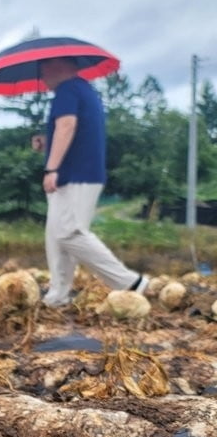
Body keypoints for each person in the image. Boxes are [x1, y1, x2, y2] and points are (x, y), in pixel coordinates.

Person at [31, 56, 147, 308]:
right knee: (56, 234)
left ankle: (130, 282)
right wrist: (47, 143)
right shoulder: (83, 90)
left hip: (76, 175)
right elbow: (77, 133)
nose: (42, 76)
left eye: (44, 69)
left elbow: (67, 126)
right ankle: (58, 295)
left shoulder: (68, 89)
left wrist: (51, 167)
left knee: (68, 232)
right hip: (79, 173)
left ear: (59, 66)